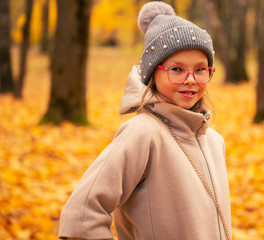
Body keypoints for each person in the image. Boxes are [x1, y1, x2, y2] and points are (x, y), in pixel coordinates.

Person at [58, 1, 232, 240]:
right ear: (153, 72)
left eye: (200, 70)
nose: (191, 79)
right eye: (177, 69)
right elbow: (81, 216)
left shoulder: (214, 141)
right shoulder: (142, 133)